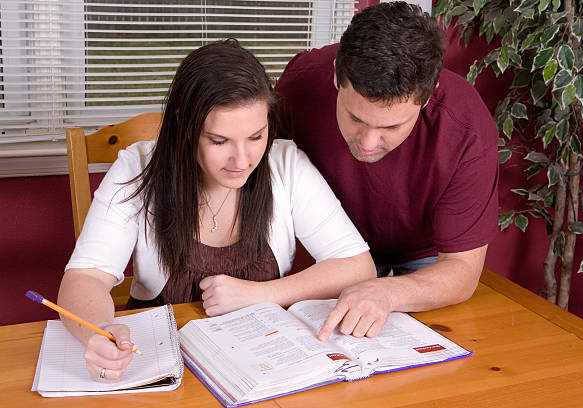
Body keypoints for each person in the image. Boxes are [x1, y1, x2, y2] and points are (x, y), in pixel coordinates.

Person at [58, 39, 375, 382]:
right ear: (185, 126)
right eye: (219, 141)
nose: (242, 161)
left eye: (255, 137)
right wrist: (99, 331)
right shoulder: (136, 167)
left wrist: (261, 295)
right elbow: (86, 277)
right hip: (161, 360)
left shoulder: (286, 165)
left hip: (263, 360)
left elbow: (358, 268)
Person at [275, 2, 499, 340]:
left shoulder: (467, 128)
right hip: (328, 248)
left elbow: (462, 270)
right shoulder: (299, 84)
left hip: (422, 256)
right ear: (337, 75)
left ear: (427, 96)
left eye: (391, 126)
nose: (367, 142)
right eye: (355, 118)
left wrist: (388, 292)